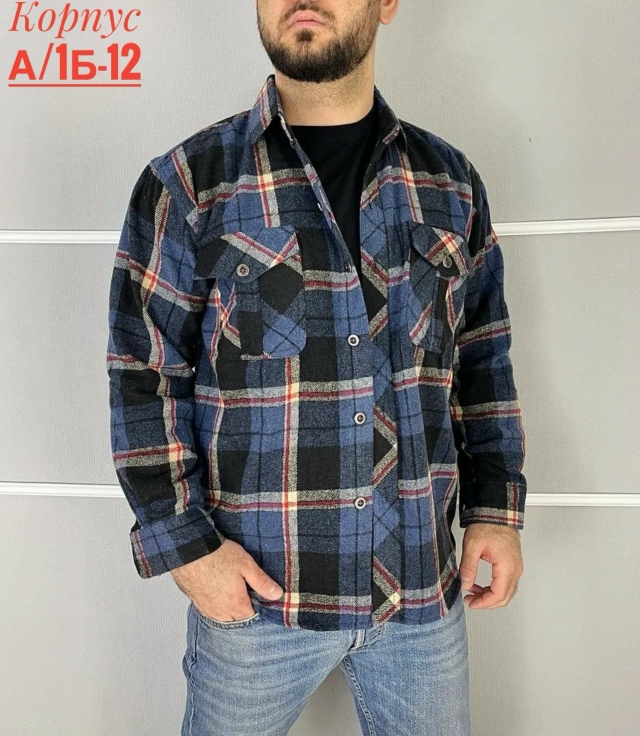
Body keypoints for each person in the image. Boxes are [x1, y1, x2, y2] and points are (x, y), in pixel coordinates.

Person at [106, 1, 527, 734]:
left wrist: (495, 508)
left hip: (421, 595)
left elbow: (481, 359)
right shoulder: (190, 183)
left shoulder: (450, 184)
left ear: (386, 4)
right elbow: (143, 374)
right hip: (258, 602)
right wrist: (188, 551)